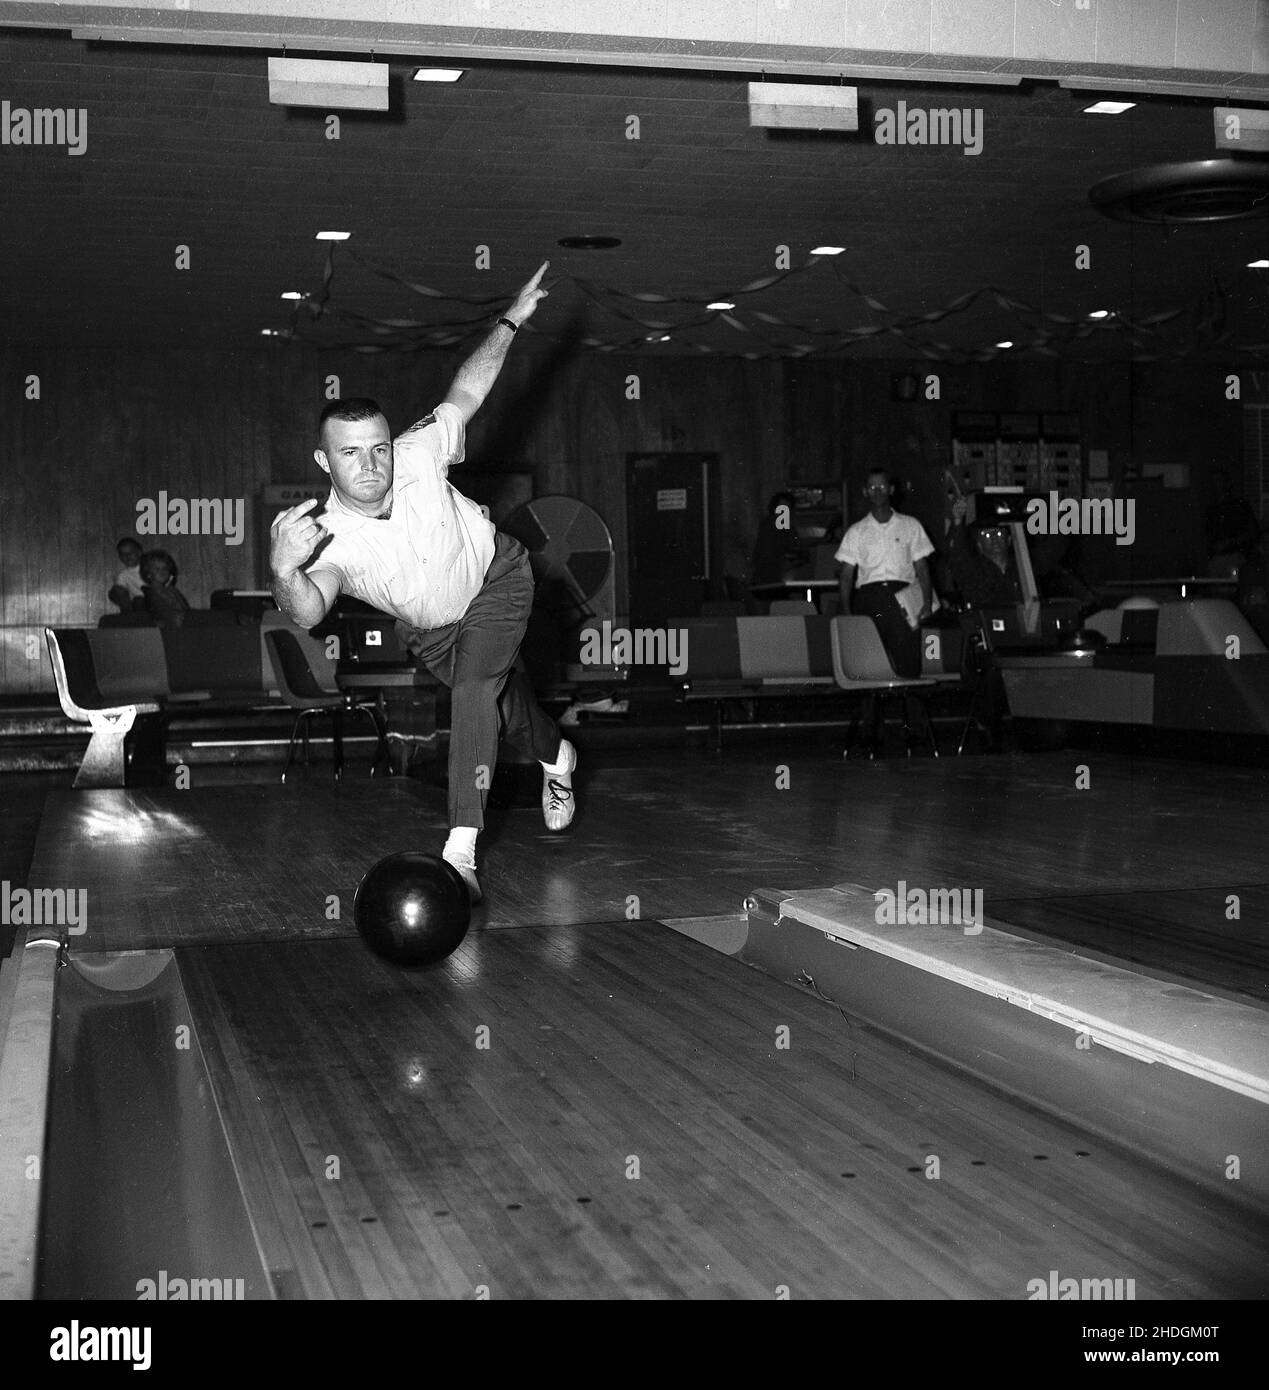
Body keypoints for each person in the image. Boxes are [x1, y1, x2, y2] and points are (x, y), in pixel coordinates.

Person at [268, 262, 571, 905]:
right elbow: (306, 613)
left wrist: (512, 318)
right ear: (325, 461)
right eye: (351, 454)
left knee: (473, 691)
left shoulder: (418, 452)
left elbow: (468, 389)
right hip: (434, 631)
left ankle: (460, 850)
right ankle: (557, 758)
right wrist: (283, 569)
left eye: (377, 447)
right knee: (507, 712)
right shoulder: (326, 536)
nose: (372, 464)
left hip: (497, 579)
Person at [835, 469, 936, 751]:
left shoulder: (910, 525)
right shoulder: (857, 531)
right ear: (866, 493)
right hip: (868, 598)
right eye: (872, 487)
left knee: (908, 663)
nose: (878, 491)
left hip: (902, 596)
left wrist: (926, 604)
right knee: (869, 663)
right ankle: (870, 731)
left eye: (882, 486)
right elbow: (846, 575)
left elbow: (922, 568)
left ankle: (914, 730)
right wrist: (847, 610)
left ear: (891, 490)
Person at [139, 549, 190, 628]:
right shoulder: (150, 594)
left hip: (182, 624)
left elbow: (186, 610)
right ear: (148, 573)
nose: (162, 572)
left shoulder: (172, 591)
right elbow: (163, 616)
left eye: (165, 568)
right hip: (168, 630)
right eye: (157, 569)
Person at [108, 537, 145, 612]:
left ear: (139, 553)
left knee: (140, 600)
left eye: (131, 553)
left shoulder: (148, 568)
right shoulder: (123, 575)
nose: (127, 556)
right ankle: (127, 614)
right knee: (115, 591)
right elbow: (118, 591)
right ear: (120, 557)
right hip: (135, 604)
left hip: (152, 602)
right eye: (123, 554)